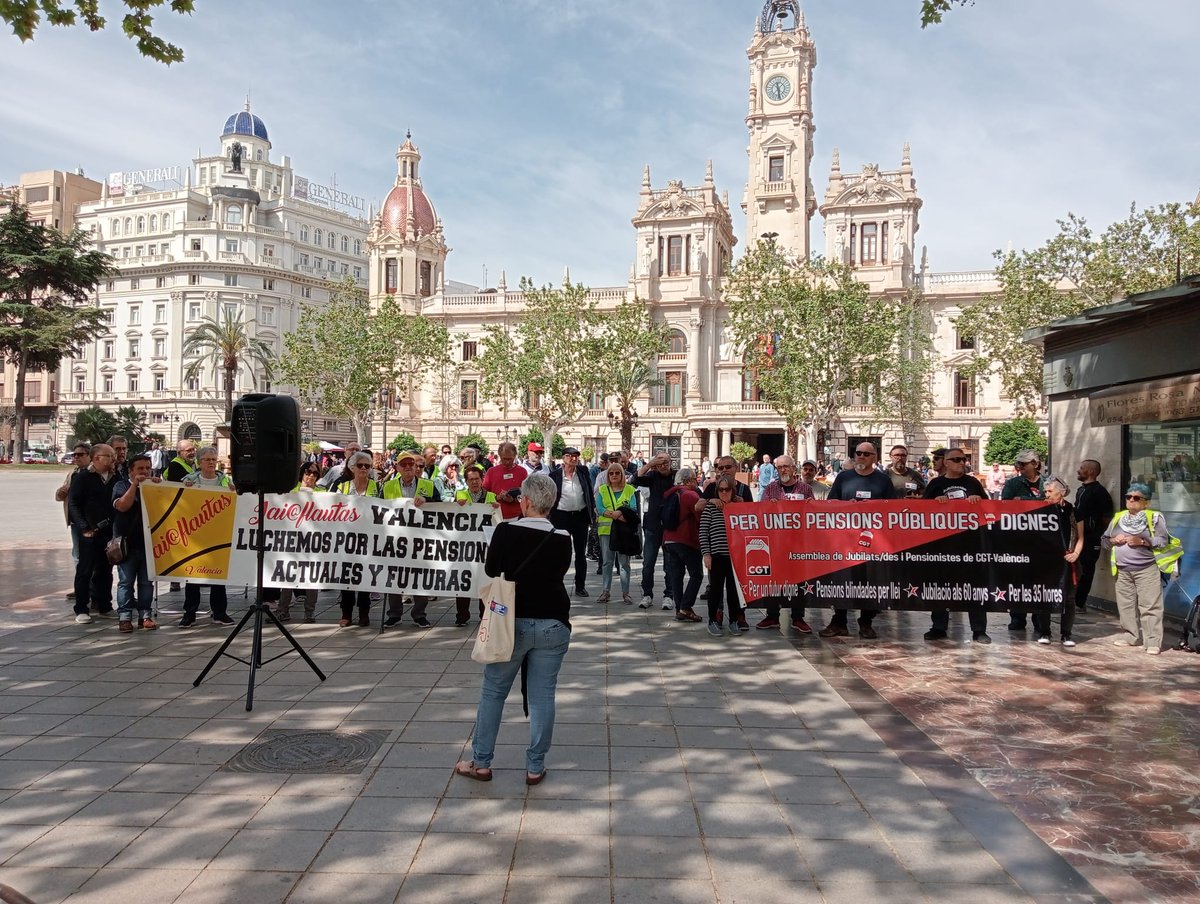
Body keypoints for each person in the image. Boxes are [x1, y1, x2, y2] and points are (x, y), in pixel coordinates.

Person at [455, 473, 572, 785]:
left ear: (528, 501)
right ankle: (535, 766)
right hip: (553, 620)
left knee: (493, 692)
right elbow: (558, 572)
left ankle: (481, 762)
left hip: (511, 621)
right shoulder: (563, 537)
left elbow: (492, 569)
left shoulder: (505, 530)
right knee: (543, 696)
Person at [819, 442, 896, 639]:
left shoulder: (883, 480)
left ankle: (866, 622)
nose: (861, 457)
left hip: (873, 542)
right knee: (843, 581)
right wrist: (846, 505)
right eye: (858, 453)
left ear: (874, 458)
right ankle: (839, 622)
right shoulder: (844, 477)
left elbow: (892, 508)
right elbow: (831, 502)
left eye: (866, 454)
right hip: (845, 541)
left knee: (869, 582)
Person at [923, 448, 991, 644]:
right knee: (941, 587)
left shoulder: (972, 483)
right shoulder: (936, 484)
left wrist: (978, 501)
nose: (962, 462)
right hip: (943, 546)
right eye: (957, 459)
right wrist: (935, 503)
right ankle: (938, 627)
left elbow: (988, 508)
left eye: (964, 459)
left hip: (970, 545)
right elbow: (922, 512)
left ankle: (979, 630)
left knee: (974, 588)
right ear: (946, 462)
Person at [1102, 483, 1169, 654]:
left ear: (1146, 502)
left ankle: (1152, 641)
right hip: (1122, 569)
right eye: (1128, 497)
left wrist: (1143, 541)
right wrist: (1113, 540)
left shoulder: (1154, 517)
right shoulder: (1119, 518)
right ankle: (1130, 636)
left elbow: (1163, 540)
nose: (1131, 500)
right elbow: (1104, 540)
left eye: (1136, 497)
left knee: (1150, 606)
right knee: (1126, 605)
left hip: (1146, 569)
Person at [756, 455, 814, 633]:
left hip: (798, 543)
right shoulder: (771, 488)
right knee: (774, 580)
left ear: (793, 468)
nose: (783, 470)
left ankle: (798, 617)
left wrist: (811, 506)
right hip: (776, 543)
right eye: (779, 467)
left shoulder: (805, 488)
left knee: (798, 581)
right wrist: (769, 506)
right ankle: (772, 615)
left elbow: (813, 513)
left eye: (786, 467)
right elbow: (760, 513)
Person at [179, 447, 235, 628]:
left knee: (218, 577)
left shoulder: (226, 482)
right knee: (192, 576)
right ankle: (190, 613)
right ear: (199, 462)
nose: (211, 462)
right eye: (207, 459)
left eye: (213, 459)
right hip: (196, 535)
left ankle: (219, 613)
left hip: (218, 534)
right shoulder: (189, 481)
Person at [382, 451, 437, 628]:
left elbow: (441, 505)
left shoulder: (428, 485)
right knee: (394, 577)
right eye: (403, 465)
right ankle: (394, 614)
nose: (407, 468)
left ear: (415, 467)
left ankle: (419, 613)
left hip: (421, 539)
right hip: (395, 538)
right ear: (397, 467)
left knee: (420, 576)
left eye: (410, 465)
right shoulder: (387, 486)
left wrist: (427, 500)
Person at [67, 443, 118, 624]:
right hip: (89, 532)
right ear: (97, 458)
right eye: (109, 456)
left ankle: (104, 605)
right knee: (85, 570)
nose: (114, 459)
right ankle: (81, 608)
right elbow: (73, 504)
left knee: (105, 570)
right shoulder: (83, 478)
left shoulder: (115, 476)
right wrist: (84, 528)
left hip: (108, 532)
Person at [111, 453, 160, 633]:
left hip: (148, 544)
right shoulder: (121, 485)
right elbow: (122, 506)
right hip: (126, 545)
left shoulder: (155, 486)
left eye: (148, 468)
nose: (145, 472)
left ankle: (145, 616)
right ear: (131, 471)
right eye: (140, 468)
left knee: (147, 583)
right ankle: (124, 617)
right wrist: (134, 486)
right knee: (125, 582)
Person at [333, 450, 381, 627]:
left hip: (369, 539)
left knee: (365, 578)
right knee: (346, 577)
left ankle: (364, 613)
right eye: (360, 465)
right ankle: (346, 613)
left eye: (367, 466)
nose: (363, 469)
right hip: (347, 538)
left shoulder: (377, 487)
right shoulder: (342, 486)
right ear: (352, 467)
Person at [1034, 477, 1083, 646]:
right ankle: (1044, 632)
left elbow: (1080, 536)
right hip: (1046, 560)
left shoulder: (1073, 510)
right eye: (1045, 491)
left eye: (1050, 491)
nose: (1046, 494)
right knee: (1044, 596)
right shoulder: (1041, 509)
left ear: (1061, 492)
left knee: (1069, 598)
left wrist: (1076, 553)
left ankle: (1066, 634)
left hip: (1068, 559)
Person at [1001, 449, 1045, 631]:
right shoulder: (1012, 483)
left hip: (1041, 540)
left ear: (1035, 464)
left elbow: (1051, 501)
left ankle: (1039, 618)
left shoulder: (1048, 482)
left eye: (1023, 464)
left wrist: (1024, 500)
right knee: (1017, 579)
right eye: (1018, 464)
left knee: (1039, 580)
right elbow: (1004, 505)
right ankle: (1017, 617)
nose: (1019, 467)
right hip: (1017, 539)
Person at [452, 465, 500, 627]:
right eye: (471, 479)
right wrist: (456, 505)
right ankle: (462, 616)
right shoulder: (460, 495)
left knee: (484, 580)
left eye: (477, 479)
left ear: (482, 480)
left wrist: (496, 509)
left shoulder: (491, 497)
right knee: (463, 580)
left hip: (484, 548)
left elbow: (497, 520)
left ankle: (483, 615)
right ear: (466, 481)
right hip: (465, 546)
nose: (474, 482)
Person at [278, 463, 326, 623]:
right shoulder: (290, 490)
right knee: (287, 576)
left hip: (314, 540)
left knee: (312, 577)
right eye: (308, 472)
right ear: (301, 473)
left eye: (315, 473)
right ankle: (283, 610)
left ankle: (310, 611)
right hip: (291, 539)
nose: (311, 475)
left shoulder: (323, 493)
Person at [632, 451, 677, 609]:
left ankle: (669, 595)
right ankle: (647, 594)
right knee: (648, 563)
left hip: (671, 526)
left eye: (666, 462)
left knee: (670, 564)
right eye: (660, 463)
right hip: (652, 525)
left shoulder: (676, 476)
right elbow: (634, 479)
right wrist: (650, 464)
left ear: (671, 463)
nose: (663, 466)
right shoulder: (652, 476)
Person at [701, 473, 744, 636]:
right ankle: (712, 620)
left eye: (727, 490)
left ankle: (734, 620)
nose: (724, 493)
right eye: (721, 490)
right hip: (717, 555)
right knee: (715, 590)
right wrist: (706, 554)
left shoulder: (739, 508)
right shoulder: (711, 508)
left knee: (734, 591)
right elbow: (703, 532)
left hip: (735, 557)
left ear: (733, 491)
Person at [549, 446, 595, 598]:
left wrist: (592, 512)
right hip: (560, 517)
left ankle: (580, 586)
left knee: (581, 553)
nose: (573, 459)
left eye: (576, 456)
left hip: (580, 517)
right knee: (559, 553)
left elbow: (589, 491)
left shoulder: (583, 472)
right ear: (563, 458)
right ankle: (556, 584)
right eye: (569, 456)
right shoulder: (554, 475)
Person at [662, 467, 703, 622]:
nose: (696, 482)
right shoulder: (690, 495)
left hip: (669, 540)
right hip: (686, 540)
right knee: (697, 574)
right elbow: (700, 517)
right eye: (694, 479)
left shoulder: (671, 493)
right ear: (687, 481)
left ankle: (680, 609)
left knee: (676, 576)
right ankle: (686, 606)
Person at [1073, 459, 1114, 612]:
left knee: (1087, 569)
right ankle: (1073, 599)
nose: (1078, 470)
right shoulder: (1080, 490)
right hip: (1078, 537)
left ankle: (1080, 602)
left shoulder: (1099, 492)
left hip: (1091, 538)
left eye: (1081, 468)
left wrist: (1101, 534)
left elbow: (1106, 517)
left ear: (1090, 471)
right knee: (1077, 568)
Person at [595, 462, 638, 604]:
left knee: (624, 563)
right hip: (606, 530)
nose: (614, 475)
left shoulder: (630, 489)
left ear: (622, 474)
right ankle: (605, 591)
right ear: (607, 475)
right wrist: (617, 514)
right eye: (611, 473)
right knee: (607, 562)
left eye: (617, 473)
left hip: (623, 532)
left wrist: (617, 513)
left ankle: (626, 593)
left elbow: (632, 507)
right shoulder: (602, 489)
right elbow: (600, 508)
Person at [56, 443, 91, 600]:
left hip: (90, 522)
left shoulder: (93, 473)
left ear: (89, 456)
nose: (76, 457)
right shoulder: (73, 474)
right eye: (74, 455)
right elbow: (59, 496)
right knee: (77, 556)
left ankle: (91, 589)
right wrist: (61, 492)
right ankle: (81, 588)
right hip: (75, 522)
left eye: (80, 454)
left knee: (92, 558)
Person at [483, 442, 528, 521]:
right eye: (504, 459)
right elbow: (484, 493)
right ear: (500, 456)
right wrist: (496, 497)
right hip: (495, 515)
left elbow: (527, 495)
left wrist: (513, 499)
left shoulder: (522, 472)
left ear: (515, 456)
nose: (507, 462)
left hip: (517, 516)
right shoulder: (491, 471)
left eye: (510, 459)